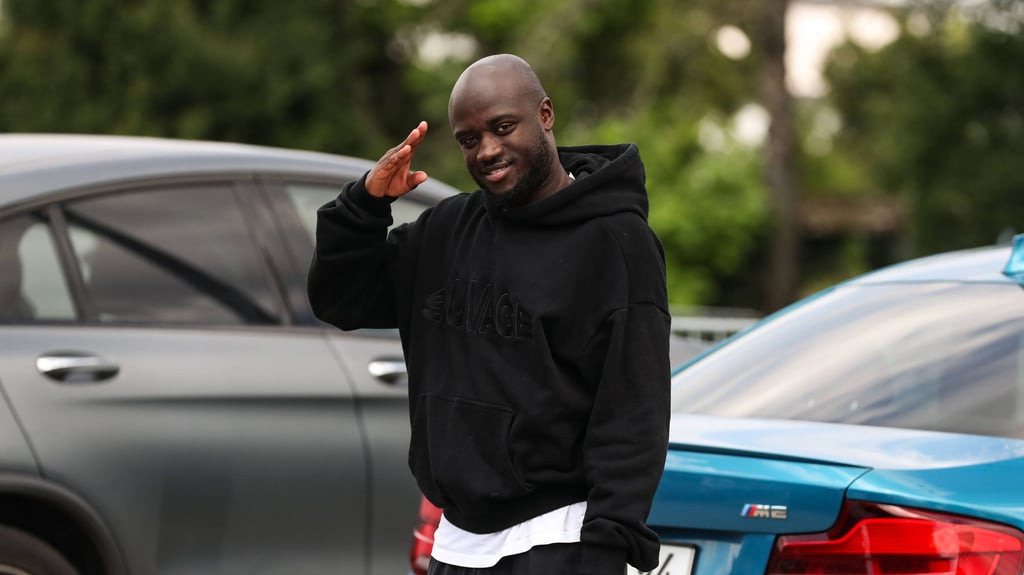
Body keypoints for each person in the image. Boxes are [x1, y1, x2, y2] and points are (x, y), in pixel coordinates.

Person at [308, 54, 670, 575]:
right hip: (458, 544)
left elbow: (635, 408)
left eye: (503, 128)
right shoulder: (447, 229)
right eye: (469, 139)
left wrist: (609, 546)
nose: (488, 151)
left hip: (557, 540)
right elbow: (340, 301)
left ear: (545, 115)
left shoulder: (617, 243)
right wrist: (363, 207)